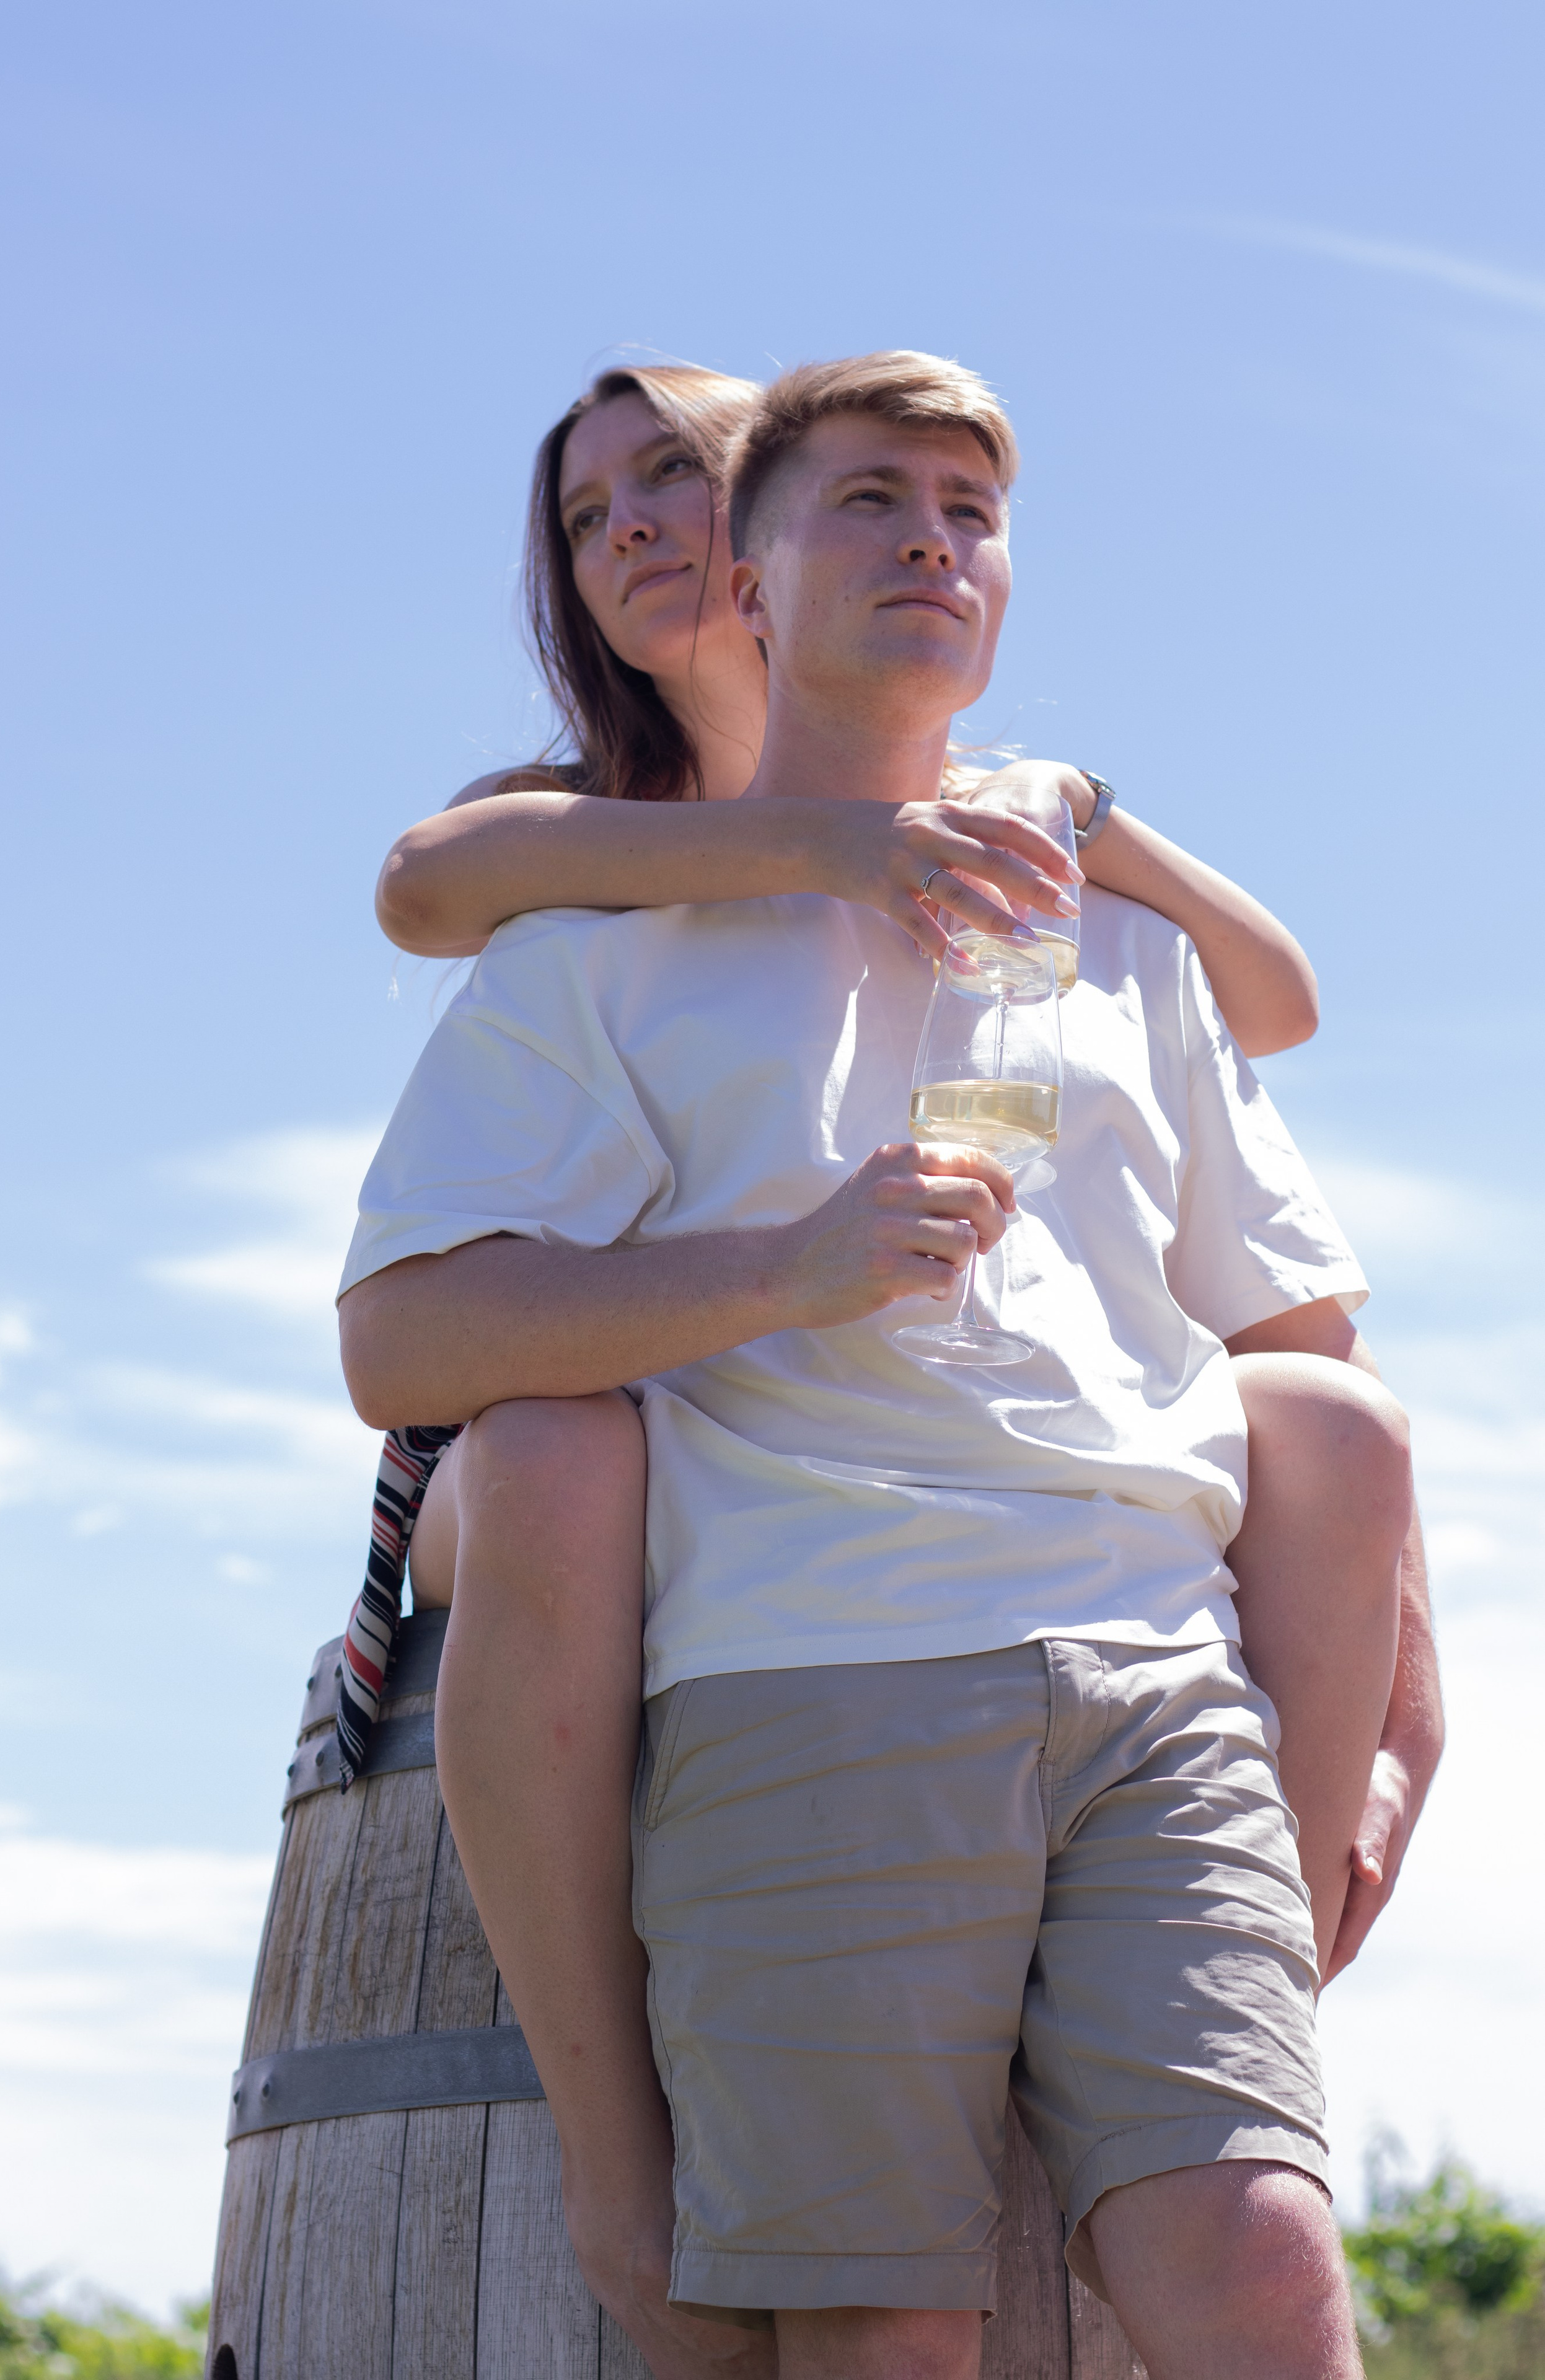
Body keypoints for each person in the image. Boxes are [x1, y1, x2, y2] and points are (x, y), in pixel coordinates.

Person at [338, 352, 1438, 2379]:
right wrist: (796, 1251)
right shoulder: (589, 899)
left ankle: (1196, 2038)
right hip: (803, 1641)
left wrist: (1398, 1703)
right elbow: (404, 1308)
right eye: (599, 513)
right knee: (883, 2329)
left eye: (969, 516)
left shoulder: (1093, 913)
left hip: (1146, 1659)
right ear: (754, 585)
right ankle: (623, 2155)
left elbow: (1296, 1297)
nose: (640, 527)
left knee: (1272, 2265)